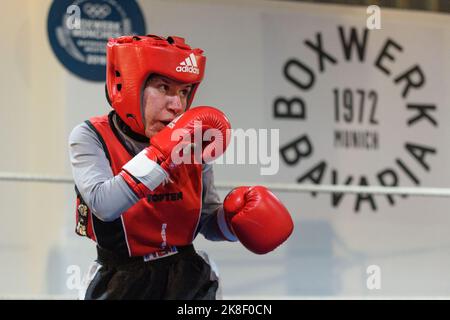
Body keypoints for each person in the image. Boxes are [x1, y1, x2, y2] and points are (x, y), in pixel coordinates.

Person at [68, 34, 294, 300]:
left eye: (184, 92)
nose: (177, 105)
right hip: (120, 280)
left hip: (189, 277)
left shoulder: (195, 139)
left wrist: (234, 221)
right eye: (164, 87)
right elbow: (103, 204)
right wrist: (164, 154)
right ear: (127, 85)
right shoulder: (91, 136)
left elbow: (206, 220)